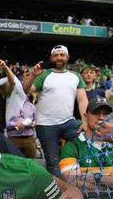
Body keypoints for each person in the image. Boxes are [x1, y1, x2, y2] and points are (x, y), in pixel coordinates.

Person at [23, 45, 89, 175]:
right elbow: (25, 90)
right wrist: (32, 75)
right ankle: (59, 193)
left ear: (67, 57)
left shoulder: (75, 76)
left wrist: (85, 121)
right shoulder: (44, 75)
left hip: (69, 122)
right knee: (53, 163)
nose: (59, 57)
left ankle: (80, 181)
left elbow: (82, 100)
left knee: (86, 143)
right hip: (46, 124)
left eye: (62, 55)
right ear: (51, 58)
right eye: (56, 55)